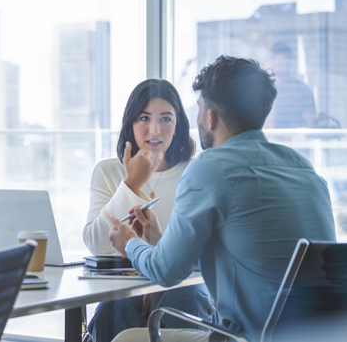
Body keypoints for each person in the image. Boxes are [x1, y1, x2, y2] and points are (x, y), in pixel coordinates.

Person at [108, 56, 336, 342]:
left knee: (125, 338)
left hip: (249, 338)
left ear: (211, 117)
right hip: (325, 335)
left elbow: (164, 273)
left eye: (200, 109)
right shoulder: (304, 168)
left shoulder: (210, 168)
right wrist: (163, 241)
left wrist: (130, 243)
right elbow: (256, 261)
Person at [83, 79, 218, 342]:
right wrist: (131, 183)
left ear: (177, 125)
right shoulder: (108, 171)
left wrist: (157, 286)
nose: (154, 129)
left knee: (185, 296)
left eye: (165, 119)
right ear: (130, 124)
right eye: (144, 118)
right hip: (126, 291)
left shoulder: (196, 172)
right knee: (115, 306)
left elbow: (204, 253)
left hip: (185, 287)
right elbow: (97, 245)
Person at [265, 42, 316, 128]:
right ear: (271, 62)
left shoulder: (302, 90)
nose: (285, 69)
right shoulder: (263, 90)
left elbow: (310, 122)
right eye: (281, 65)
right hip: (271, 139)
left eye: (288, 65)